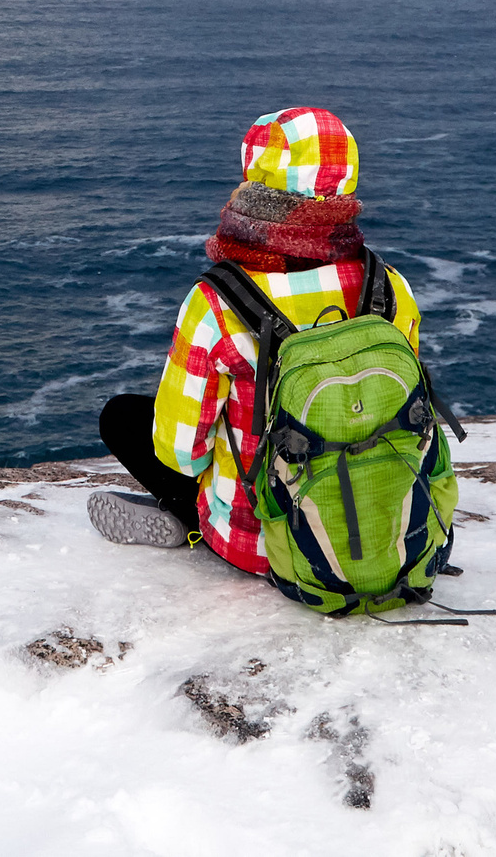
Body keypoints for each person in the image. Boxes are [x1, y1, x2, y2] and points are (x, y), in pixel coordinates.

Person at [90, 105, 424, 570]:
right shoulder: (389, 287)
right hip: (382, 533)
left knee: (122, 417)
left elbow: (181, 454)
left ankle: (190, 518)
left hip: (263, 547)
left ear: (255, 176)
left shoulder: (217, 300)